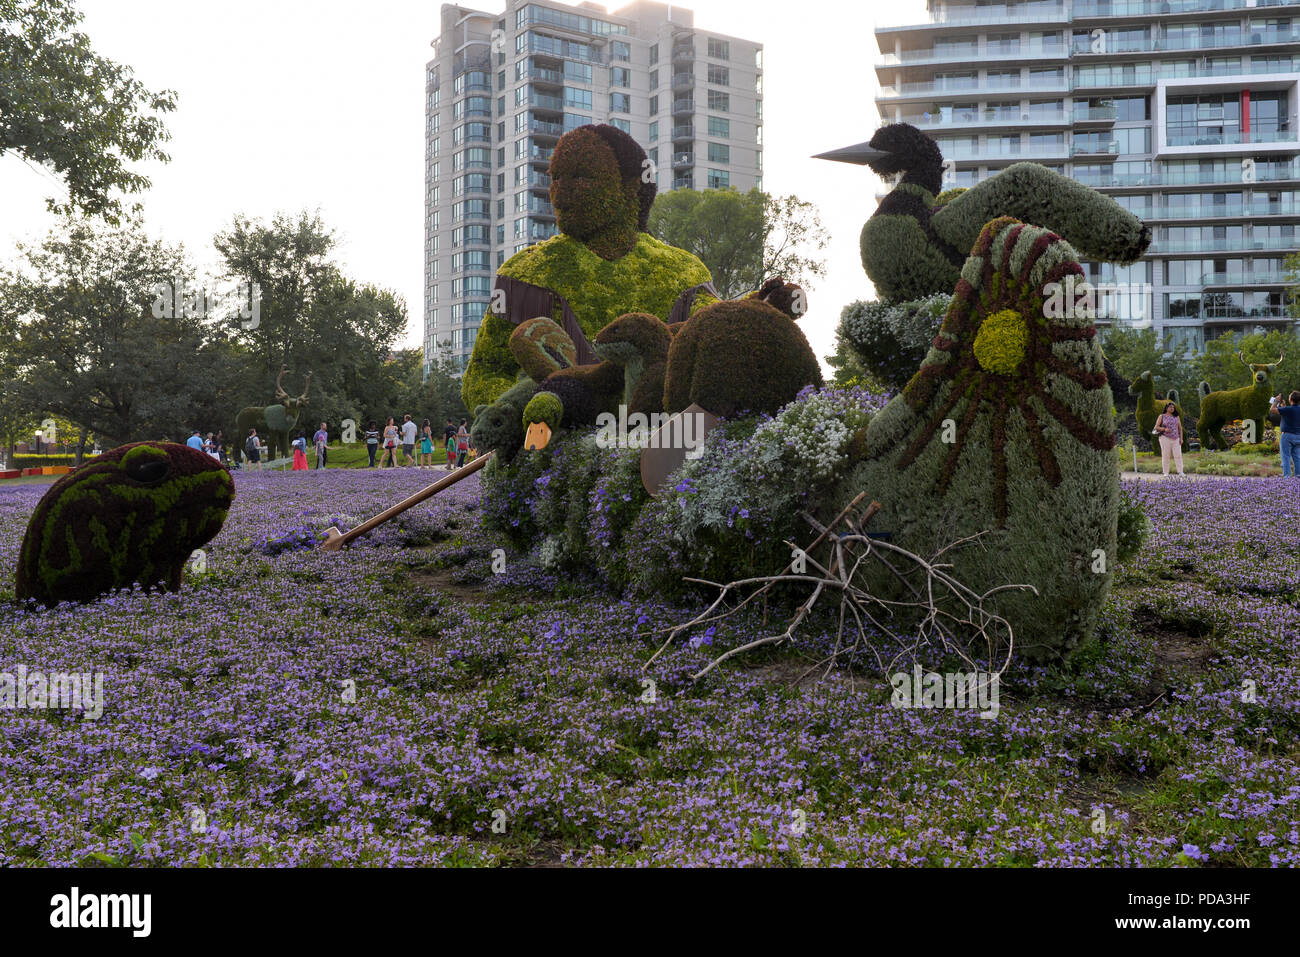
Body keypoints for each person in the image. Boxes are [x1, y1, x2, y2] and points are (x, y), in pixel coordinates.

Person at [1270, 391, 1300, 478]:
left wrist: (1276, 401)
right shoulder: (1290, 409)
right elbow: (1289, 414)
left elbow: (1272, 410)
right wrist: (1284, 405)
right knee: (1297, 457)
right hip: (1298, 436)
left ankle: (1287, 477)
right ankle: (1298, 477)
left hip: (1287, 436)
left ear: (1290, 399)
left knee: (1286, 457)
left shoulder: (1288, 409)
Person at [1154, 401, 1185, 477]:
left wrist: (1181, 438)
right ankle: (1166, 472)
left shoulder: (1176, 417)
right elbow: (1156, 427)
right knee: (1166, 455)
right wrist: (1164, 429)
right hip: (1165, 438)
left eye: (1173, 407)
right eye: (1170, 407)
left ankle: (1180, 472)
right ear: (1167, 408)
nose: (1172, 408)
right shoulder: (1162, 416)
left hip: (1176, 438)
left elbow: (1180, 428)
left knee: (1178, 455)